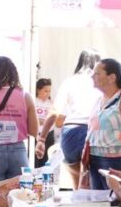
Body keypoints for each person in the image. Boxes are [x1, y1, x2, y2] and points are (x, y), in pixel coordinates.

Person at [37, 49, 102, 184]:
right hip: (92, 133)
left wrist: (42, 138)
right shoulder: (100, 83)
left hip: (70, 132)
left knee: (76, 183)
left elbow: (55, 111)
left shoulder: (69, 82)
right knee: (91, 183)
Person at [84, 58, 121, 189]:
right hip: (94, 158)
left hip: (115, 160)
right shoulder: (98, 100)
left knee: (113, 200)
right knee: (98, 201)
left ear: (111, 78)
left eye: (97, 73)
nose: (92, 76)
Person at [33, 78, 54, 168]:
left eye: (49, 91)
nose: (48, 93)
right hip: (36, 134)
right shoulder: (33, 101)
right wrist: (38, 120)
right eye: (45, 91)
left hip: (48, 135)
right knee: (35, 161)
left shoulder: (51, 103)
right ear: (38, 90)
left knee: (46, 161)